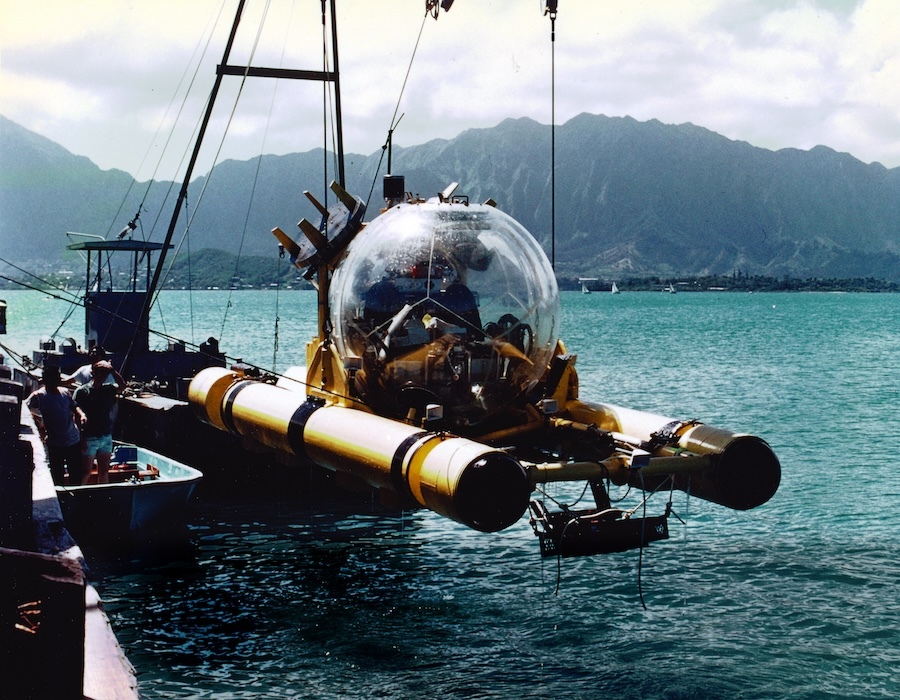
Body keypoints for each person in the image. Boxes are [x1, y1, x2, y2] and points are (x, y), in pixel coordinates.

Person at [26, 365, 87, 485]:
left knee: (76, 473)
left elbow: (74, 407)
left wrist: (82, 414)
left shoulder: (65, 392)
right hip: (55, 443)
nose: (56, 382)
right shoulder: (39, 396)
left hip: (73, 440)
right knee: (57, 475)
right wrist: (38, 423)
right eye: (53, 379)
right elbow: (25, 408)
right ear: (46, 380)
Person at [73, 360, 125, 484]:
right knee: (86, 472)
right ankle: (80, 496)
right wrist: (81, 439)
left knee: (104, 471)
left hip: (106, 436)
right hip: (89, 438)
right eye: (100, 373)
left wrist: (112, 370)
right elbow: (75, 413)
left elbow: (122, 386)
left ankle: (103, 496)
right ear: (93, 373)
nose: (103, 376)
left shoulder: (108, 389)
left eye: (105, 374)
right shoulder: (82, 391)